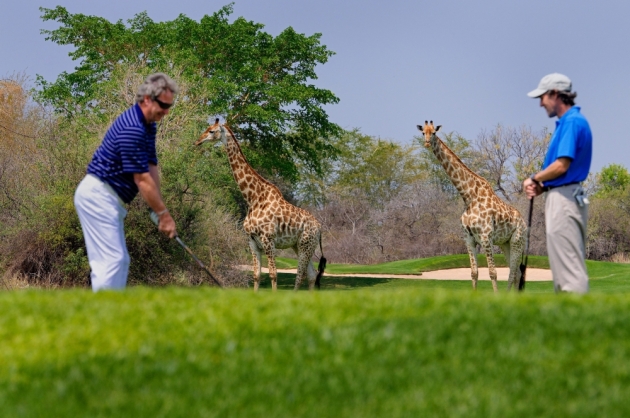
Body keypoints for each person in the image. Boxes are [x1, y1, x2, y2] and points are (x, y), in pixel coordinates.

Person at [74, 73, 178, 291]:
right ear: (148, 99)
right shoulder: (133, 128)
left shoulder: (148, 124)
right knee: (110, 263)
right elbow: (141, 179)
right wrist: (163, 215)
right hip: (97, 195)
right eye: (163, 105)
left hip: (109, 198)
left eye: (170, 106)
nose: (166, 112)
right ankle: (103, 320)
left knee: (120, 261)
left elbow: (151, 167)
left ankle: (112, 317)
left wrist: (159, 208)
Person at [522, 73, 592, 293]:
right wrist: (541, 187)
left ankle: (579, 322)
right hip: (562, 196)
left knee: (570, 271)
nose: (541, 103)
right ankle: (568, 322)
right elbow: (562, 171)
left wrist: (535, 178)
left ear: (555, 94)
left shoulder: (572, 122)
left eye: (542, 97)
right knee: (562, 272)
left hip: (565, 200)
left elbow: (562, 165)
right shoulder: (567, 123)